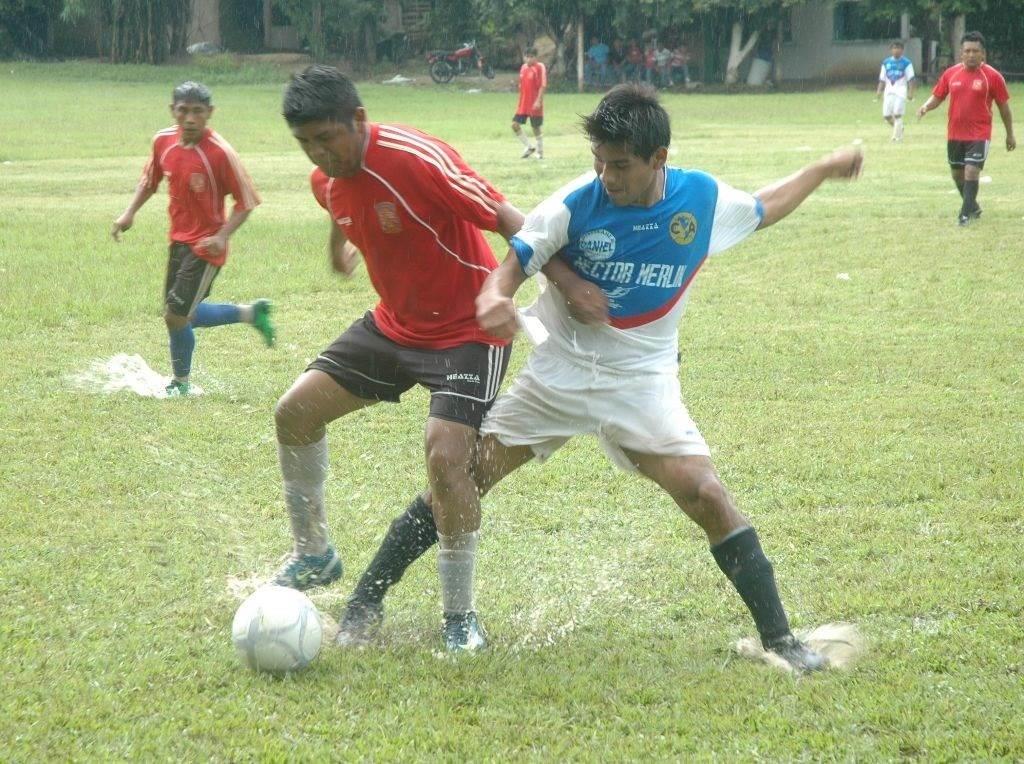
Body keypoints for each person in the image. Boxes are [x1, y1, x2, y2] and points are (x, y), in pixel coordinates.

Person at [336, 84, 863, 672]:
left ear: (659, 157)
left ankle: (782, 641)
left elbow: (764, 208)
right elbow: (508, 270)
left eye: (620, 165)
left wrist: (821, 168)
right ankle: (366, 600)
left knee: (707, 495)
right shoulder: (572, 204)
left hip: (642, 378)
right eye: (599, 161)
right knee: (462, 478)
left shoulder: (700, 200)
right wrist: (496, 300)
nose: (607, 176)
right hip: (559, 372)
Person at [275, 65, 559, 649]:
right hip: (395, 327)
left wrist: (559, 288)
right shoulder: (325, 176)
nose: (319, 154)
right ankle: (314, 553)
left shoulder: (416, 159)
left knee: (445, 456)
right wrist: (340, 248)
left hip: (467, 329)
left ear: (358, 119)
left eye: (327, 139)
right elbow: (339, 202)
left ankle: (459, 617)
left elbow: (510, 218)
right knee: (294, 413)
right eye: (305, 144)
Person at [111, 81, 274, 397]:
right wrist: (128, 213)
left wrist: (222, 237)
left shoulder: (221, 153)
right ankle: (252, 313)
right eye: (183, 111)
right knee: (186, 315)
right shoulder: (163, 142)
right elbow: (149, 181)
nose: (189, 118)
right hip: (179, 242)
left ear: (209, 113)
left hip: (206, 246)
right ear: (172, 110)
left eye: (197, 112)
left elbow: (247, 202)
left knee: (175, 316)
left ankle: (181, 385)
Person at [917, 31, 1015, 226]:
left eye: (975, 51)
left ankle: (964, 214)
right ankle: (973, 206)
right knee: (957, 174)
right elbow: (938, 95)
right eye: (967, 51)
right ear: (961, 53)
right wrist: (926, 106)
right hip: (955, 133)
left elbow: (1004, 108)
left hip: (979, 134)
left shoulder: (993, 77)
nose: (971, 54)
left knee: (971, 171)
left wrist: (1009, 134)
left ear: (983, 54)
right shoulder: (951, 74)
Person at [875, 41, 915, 142]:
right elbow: (882, 79)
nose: (896, 50)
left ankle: (897, 137)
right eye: (894, 48)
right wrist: (879, 90)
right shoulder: (886, 62)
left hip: (900, 91)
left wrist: (910, 92)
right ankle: (899, 128)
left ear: (902, 50)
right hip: (889, 91)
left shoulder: (906, 63)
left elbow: (911, 79)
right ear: (891, 50)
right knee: (887, 115)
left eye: (898, 48)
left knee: (897, 113)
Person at [513, 47, 547, 159]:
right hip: (523, 104)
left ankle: (540, 152)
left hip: (534, 103)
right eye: (526, 56)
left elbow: (542, 85)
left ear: (536, 57)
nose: (528, 59)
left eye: (531, 56)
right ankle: (529, 147)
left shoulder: (539, 67)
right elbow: (521, 85)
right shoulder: (523, 68)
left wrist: (538, 100)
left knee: (535, 127)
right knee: (515, 125)